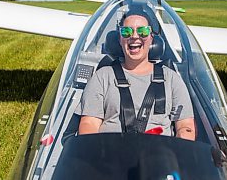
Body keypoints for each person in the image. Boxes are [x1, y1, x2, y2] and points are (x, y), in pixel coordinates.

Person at [76, 11, 195, 140]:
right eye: (126, 32)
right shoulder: (102, 77)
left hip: (159, 155)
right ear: (120, 39)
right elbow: (90, 123)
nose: (134, 36)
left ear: (151, 38)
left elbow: (185, 125)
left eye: (142, 31)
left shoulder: (172, 79)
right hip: (111, 153)